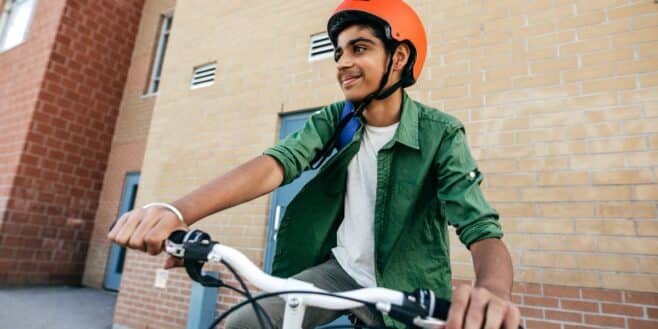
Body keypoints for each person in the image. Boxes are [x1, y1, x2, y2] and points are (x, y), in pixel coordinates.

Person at [108, 1, 521, 328]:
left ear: (398, 58)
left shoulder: (441, 133)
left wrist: (494, 293)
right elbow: (277, 164)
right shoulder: (334, 120)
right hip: (338, 273)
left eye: (360, 48)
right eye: (339, 52)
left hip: (407, 287)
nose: (341, 62)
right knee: (244, 325)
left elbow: (480, 228)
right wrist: (176, 211)